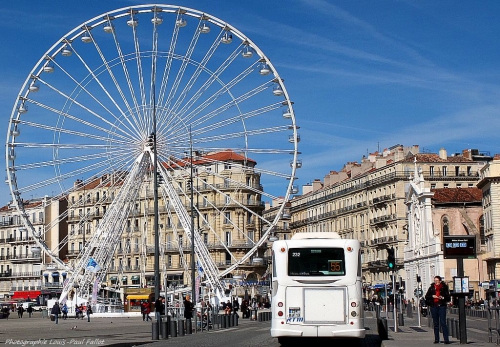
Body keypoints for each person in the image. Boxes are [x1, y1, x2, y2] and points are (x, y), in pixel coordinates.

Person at [425, 276, 451, 344]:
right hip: (434, 306)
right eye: (435, 280)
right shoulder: (431, 288)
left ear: (440, 281)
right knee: (436, 323)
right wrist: (432, 296)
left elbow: (448, 298)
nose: (436, 282)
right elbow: (426, 296)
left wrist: (443, 297)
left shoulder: (444, 287)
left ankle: (446, 339)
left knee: (443, 323)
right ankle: (437, 339)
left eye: (437, 280)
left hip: (441, 306)